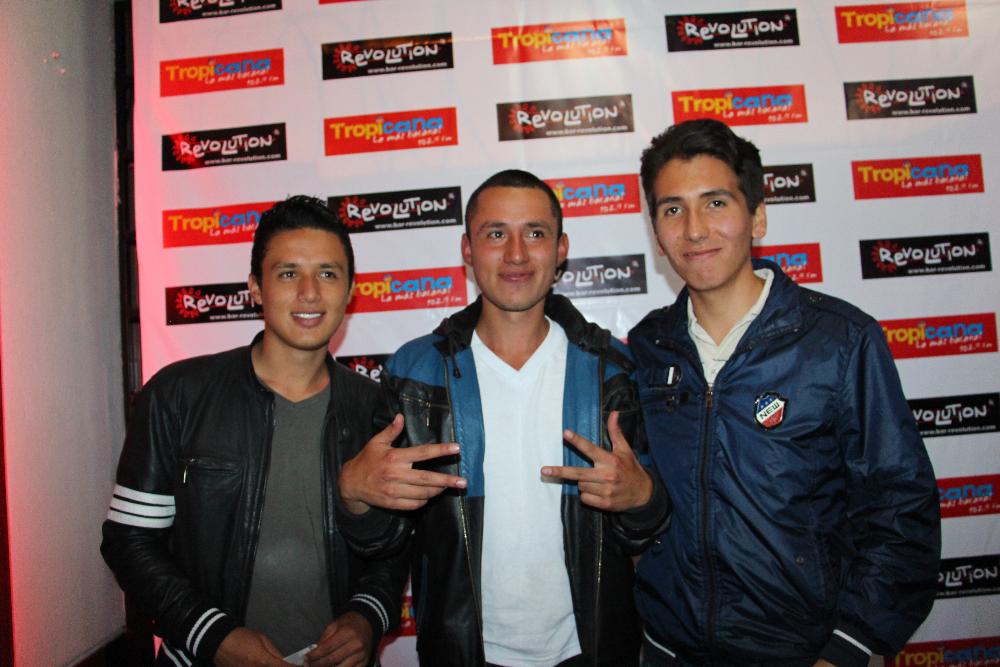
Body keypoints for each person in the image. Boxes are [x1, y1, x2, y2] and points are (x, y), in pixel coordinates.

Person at [629, 119, 941, 666]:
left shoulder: (840, 340)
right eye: (673, 209)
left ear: (758, 216)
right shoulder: (648, 346)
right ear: (656, 231)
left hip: (802, 653)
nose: (694, 230)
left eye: (716, 203)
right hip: (667, 649)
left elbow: (901, 509)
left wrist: (847, 647)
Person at [335, 169, 671, 666]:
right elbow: (385, 541)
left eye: (535, 233)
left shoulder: (613, 370)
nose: (516, 254)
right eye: (496, 234)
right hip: (460, 651)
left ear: (561, 249)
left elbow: (649, 530)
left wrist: (642, 499)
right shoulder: (414, 372)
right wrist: (354, 495)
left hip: (592, 651)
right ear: (467, 250)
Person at [101, 196, 408, 667]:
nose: (310, 292)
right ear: (255, 289)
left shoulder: (377, 412)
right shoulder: (178, 394)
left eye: (328, 274)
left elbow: (394, 548)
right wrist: (212, 635)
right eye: (288, 274)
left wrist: (366, 617)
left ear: (350, 290)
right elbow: (129, 541)